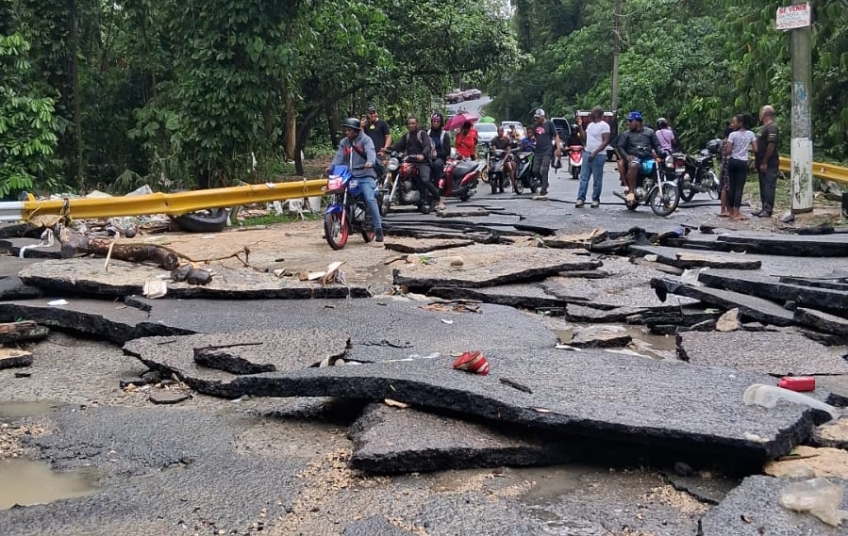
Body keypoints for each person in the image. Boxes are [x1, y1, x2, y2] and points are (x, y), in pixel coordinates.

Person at [327, 117, 383, 242]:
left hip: (365, 175)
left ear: (356, 131)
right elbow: (338, 158)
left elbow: (371, 152)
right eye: (345, 130)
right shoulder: (344, 142)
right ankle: (331, 227)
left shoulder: (366, 140)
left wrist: (370, 162)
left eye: (349, 130)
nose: (346, 133)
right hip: (348, 175)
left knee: (369, 198)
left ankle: (378, 229)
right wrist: (331, 167)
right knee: (337, 194)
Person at [390, 116, 444, 213]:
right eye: (409, 123)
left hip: (423, 162)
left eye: (413, 123)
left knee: (425, 180)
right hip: (411, 162)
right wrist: (387, 150)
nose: (411, 125)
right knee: (398, 172)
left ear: (417, 124)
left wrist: (423, 155)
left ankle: (439, 200)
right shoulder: (407, 136)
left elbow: (427, 146)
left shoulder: (422, 134)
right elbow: (398, 145)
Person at [616, 111, 663, 203]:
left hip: (648, 158)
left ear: (637, 122)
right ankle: (631, 192)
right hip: (635, 159)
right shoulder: (626, 134)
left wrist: (661, 153)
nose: (628, 123)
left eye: (630, 121)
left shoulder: (650, 132)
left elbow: (656, 145)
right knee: (633, 165)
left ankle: (664, 195)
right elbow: (620, 146)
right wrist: (626, 156)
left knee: (661, 166)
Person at [724, 113, 758, 221]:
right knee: (739, 188)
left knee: (732, 187)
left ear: (740, 123)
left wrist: (728, 151)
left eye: (734, 122)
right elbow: (756, 149)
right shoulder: (751, 134)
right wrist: (746, 150)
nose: (732, 124)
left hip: (733, 161)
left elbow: (729, 151)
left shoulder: (732, 135)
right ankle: (737, 213)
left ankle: (731, 212)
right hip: (743, 162)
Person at [576, 106, 611, 208]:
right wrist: (580, 126)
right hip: (587, 152)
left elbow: (606, 141)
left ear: (596, 114)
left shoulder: (604, 126)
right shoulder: (590, 125)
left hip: (598, 155)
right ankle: (580, 199)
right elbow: (584, 138)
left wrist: (595, 152)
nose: (589, 114)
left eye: (591, 112)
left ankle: (595, 199)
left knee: (597, 179)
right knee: (583, 177)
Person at [754, 105, 779, 217]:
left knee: (769, 185)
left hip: (769, 162)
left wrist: (765, 162)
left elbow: (771, 146)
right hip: (761, 162)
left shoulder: (772, 127)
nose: (759, 115)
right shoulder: (764, 128)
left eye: (760, 113)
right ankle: (763, 207)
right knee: (763, 185)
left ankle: (768, 209)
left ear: (764, 114)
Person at [530, 109, 562, 196]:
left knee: (544, 169)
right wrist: (533, 139)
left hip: (547, 150)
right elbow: (533, 135)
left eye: (538, 118)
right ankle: (544, 182)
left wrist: (558, 148)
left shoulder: (549, 124)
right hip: (538, 150)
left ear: (543, 117)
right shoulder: (536, 125)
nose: (537, 120)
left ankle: (543, 189)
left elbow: (556, 135)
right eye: (536, 118)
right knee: (535, 170)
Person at [489, 125, 515, 193]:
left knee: (510, 168)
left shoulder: (507, 139)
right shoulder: (494, 140)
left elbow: (508, 151)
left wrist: (504, 159)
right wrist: (494, 154)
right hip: (497, 159)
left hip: (505, 158)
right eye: (498, 131)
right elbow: (494, 150)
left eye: (501, 131)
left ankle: (513, 185)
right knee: (491, 167)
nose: (499, 132)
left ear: (503, 132)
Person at [428, 113, 452, 183]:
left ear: (441, 123)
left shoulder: (444, 135)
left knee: (436, 164)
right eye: (434, 121)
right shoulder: (428, 133)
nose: (435, 123)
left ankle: (437, 185)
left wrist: (435, 154)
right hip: (429, 156)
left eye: (438, 122)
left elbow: (447, 151)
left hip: (440, 157)